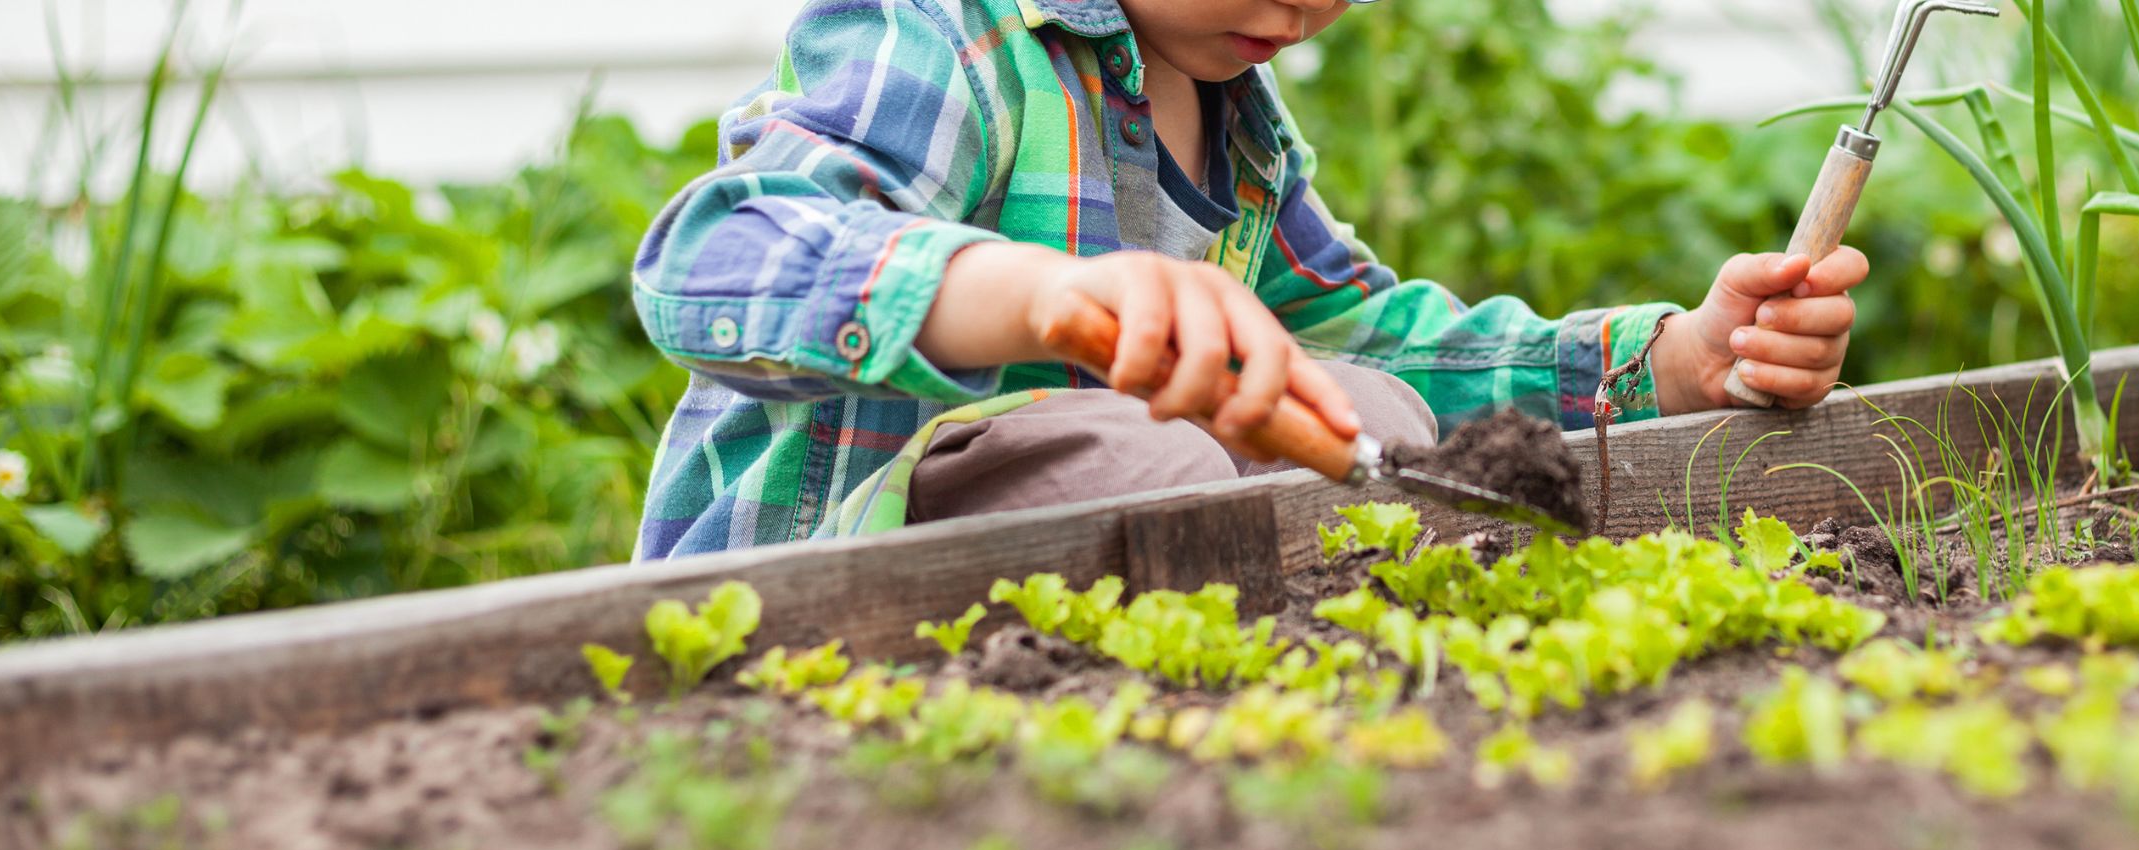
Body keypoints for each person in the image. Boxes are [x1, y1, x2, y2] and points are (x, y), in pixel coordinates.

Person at [628, 0, 1871, 559]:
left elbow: (1379, 347)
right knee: (1152, 466)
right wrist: (1031, 295)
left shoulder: (1239, 121)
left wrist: (1668, 363)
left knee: (1371, 420)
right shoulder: (945, 36)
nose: (1308, 1)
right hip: (819, 593)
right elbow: (712, 258)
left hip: (1098, 571)